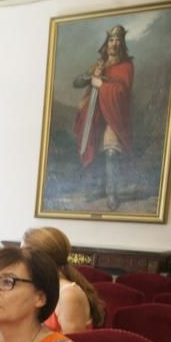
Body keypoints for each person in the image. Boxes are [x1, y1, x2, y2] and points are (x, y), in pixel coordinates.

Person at [72, 24, 133, 210]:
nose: (114, 44)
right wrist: (91, 77)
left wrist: (102, 85)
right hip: (96, 115)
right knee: (95, 150)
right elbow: (76, 82)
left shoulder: (126, 66)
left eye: (117, 41)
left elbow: (123, 91)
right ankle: (99, 188)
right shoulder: (98, 65)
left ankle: (112, 193)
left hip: (114, 115)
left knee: (111, 152)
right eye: (111, 40)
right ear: (106, 45)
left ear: (122, 45)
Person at [22, 226, 104, 332]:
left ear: (40, 259)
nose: (20, 260)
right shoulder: (35, 286)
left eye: (23, 254)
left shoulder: (68, 294)